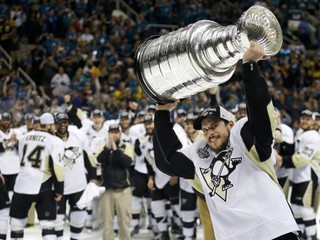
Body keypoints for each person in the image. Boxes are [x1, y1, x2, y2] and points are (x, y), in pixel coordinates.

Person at [153, 42, 300, 239]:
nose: (209, 132)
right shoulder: (199, 154)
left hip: (274, 230)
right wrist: (161, 114)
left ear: (229, 124)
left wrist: (249, 68)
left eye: (214, 126)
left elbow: (260, 117)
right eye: (205, 129)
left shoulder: (243, 139)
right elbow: (167, 160)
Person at [9, 112, 65, 240]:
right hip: (42, 184)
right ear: (48, 125)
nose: (55, 128)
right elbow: (58, 168)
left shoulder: (24, 137)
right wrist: (59, 190)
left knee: (16, 223)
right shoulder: (55, 140)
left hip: (21, 184)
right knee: (47, 224)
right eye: (53, 125)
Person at [276, 110, 320, 240]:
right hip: (297, 177)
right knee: (296, 209)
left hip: (308, 177)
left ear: (313, 122)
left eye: (308, 119)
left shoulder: (314, 136)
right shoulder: (301, 133)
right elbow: (294, 150)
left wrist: (282, 161)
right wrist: (283, 144)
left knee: (305, 210)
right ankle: (301, 237)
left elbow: (302, 159)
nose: (305, 121)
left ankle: (312, 237)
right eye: (303, 118)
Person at [54, 112, 97, 240]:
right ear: (55, 124)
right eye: (59, 122)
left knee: (78, 217)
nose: (62, 125)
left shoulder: (79, 136)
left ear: (68, 123)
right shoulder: (51, 139)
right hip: (58, 186)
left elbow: (88, 156)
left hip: (78, 184)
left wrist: (93, 177)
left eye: (65, 122)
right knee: (57, 219)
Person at [97, 123, 134, 240]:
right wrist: (108, 148)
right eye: (111, 132)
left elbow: (127, 162)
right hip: (107, 191)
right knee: (107, 224)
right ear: (108, 134)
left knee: (124, 223)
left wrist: (115, 149)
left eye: (116, 132)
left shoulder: (126, 146)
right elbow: (99, 159)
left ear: (120, 134)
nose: (114, 135)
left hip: (123, 190)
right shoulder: (104, 148)